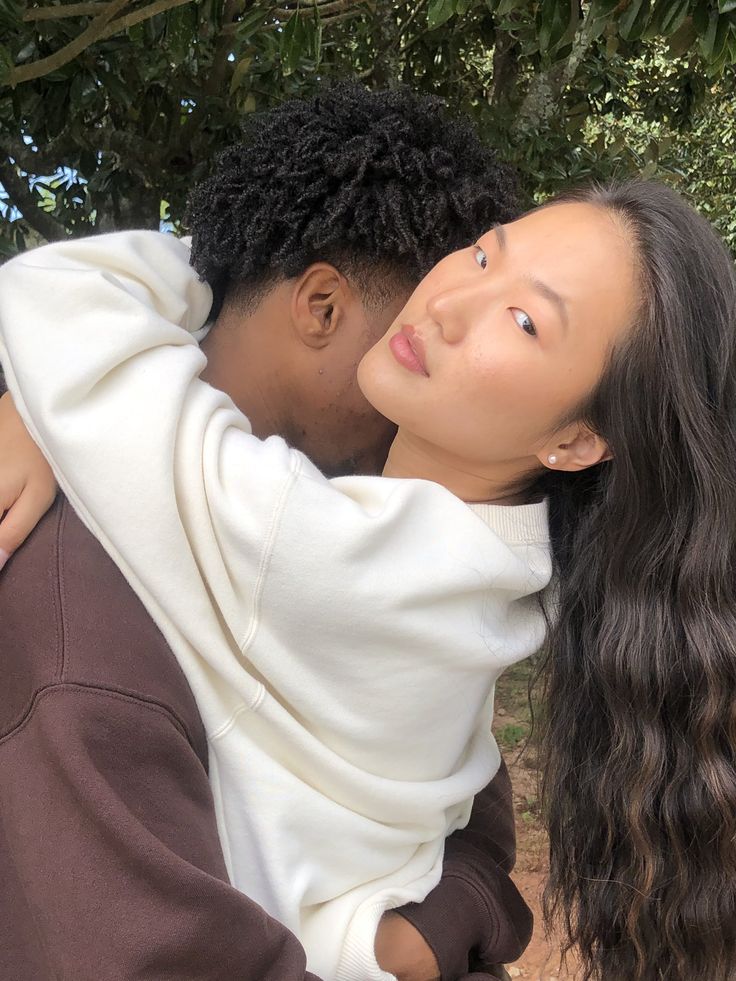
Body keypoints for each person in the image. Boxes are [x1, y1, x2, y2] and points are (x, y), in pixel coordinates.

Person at [5, 181, 735, 981]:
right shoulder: (517, 581)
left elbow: (53, 300)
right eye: (485, 252)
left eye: (525, 321)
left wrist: (46, 405)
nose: (451, 302)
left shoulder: (311, 544)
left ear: (574, 440)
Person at [0, 85, 530, 981]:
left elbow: (466, 798)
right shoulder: (83, 614)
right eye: (410, 341)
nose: (432, 398)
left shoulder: (359, 538)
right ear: (321, 306)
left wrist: (439, 927)